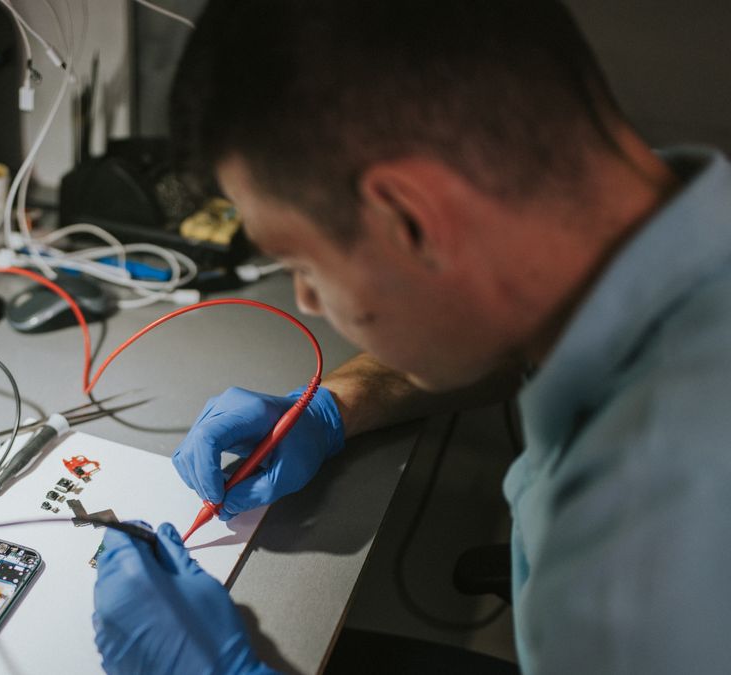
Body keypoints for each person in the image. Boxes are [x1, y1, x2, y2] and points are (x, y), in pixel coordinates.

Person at [91, 0, 731, 673]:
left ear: (412, 218)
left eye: (303, 263)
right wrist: (339, 404)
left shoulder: (644, 538)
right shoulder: (630, 223)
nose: (306, 299)